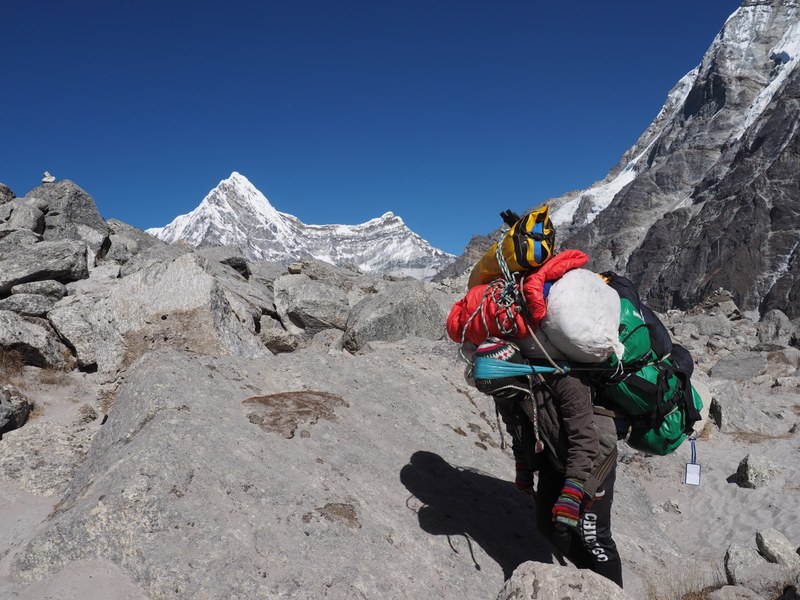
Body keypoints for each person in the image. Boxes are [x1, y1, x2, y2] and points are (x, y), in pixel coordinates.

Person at [473, 338, 624, 588]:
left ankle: (612, 591)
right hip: (554, 461)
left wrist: (573, 492)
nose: (500, 399)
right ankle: (595, 583)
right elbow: (515, 430)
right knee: (549, 526)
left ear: (514, 372)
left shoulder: (564, 380)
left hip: (595, 460)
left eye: (501, 393)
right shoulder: (504, 390)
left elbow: (585, 440)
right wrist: (523, 468)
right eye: (496, 395)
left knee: (594, 537)